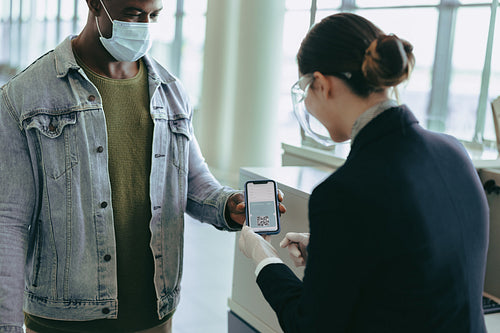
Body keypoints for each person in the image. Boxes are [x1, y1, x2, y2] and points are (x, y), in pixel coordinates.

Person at [0, 0, 284, 332]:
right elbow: (9, 222)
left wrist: (228, 204)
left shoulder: (170, 91)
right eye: (133, 13)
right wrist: (6, 324)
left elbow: (194, 183)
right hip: (63, 317)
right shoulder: (25, 96)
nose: (144, 25)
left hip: (153, 314)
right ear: (94, 3)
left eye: (154, 15)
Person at [239, 12, 489, 333]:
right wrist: (329, 248)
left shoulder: (343, 192)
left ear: (322, 84)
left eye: (305, 90)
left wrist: (263, 258)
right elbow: (420, 260)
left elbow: (310, 326)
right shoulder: (454, 151)